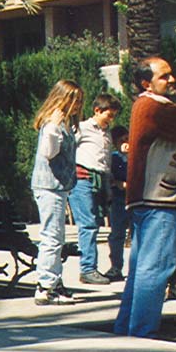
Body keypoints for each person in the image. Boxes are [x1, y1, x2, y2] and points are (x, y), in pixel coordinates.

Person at [114, 57, 176, 338]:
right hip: (157, 202)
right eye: (165, 76)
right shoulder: (152, 106)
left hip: (148, 202)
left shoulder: (149, 106)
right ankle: (142, 334)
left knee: (141, 270)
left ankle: (127, 330)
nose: (172, 80)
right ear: (145, 83)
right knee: (156, 269)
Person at [30, 79, 84, 306]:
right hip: (49, 186)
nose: (78, 105)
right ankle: (46, 286)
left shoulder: (64, 123)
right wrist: (54, 130)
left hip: (58, 186)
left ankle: (52, 281)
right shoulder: (53, 124)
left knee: (56, 236)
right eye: (74, 100)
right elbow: (49, 153)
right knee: (51, 237)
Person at [70, 93, 120, 285]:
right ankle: (88, 269)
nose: (111, 119)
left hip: (101, 179)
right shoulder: (82, 128)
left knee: (96, 222)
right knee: (88, 224)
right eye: (109, 115)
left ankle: (90, 267)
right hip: (83, 179)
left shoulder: (106, 132)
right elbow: (67, 150)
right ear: (97, 110)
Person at [105, 125, 130, 281]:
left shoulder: (137, 156)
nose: (126, 143)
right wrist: (117, 183)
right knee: (117, 234)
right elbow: (110, 176)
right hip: (119, 199)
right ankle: (116, 266)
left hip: (134, 198)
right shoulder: (113, 158)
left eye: (128, 139)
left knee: (138, 234)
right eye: (122, 140)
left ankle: (137, 268)